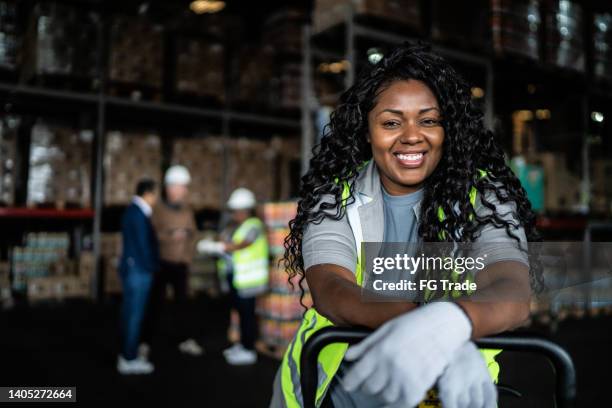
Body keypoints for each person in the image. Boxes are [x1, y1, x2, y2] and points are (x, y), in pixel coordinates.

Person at [270, 42, 540, 407]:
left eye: (428, 120)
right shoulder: (335, 198)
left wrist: (454, 323)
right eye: (391, 122)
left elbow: (511, 286)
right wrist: (438, 331)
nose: (412, 135)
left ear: (450, 128)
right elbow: (331, 288)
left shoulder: (485, 198)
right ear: (367, 131)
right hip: (335, 393)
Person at [198, 187, 269, 366]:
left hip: (248, 280)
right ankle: (242, 345)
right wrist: (216, 245)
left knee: (247, 315)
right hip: (235, 278)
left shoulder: (254, 225)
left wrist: (218, 247)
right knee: (240, 312)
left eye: (237, 211)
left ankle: (248, 350)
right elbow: (226, 241)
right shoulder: (235, 226)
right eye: (234, 211)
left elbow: (242, 244)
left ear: (246, 210)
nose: (235, 214)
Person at [141, 165, 202, 356]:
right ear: (169, 187)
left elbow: (193, 233)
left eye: (185, 187)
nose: (184, 191)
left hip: (181, 265)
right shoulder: (157, 210)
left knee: (183, 304)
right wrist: (171, 236)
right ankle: (144, 342)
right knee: (154, 304)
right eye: (180, 187)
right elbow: (151, 236)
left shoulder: (187, 210)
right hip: (162, 264)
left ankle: (184, 340)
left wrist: (187, 255)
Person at [117, 178, 159, 375]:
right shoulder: (139, 213)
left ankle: (127, 353)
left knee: (130, 313)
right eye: (155, 194)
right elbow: (143, 245)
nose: (156, 199)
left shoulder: (133, 211)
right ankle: (130, 358)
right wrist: (152, 267)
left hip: (133, 269)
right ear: (148, 193)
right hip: (139, 271)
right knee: (135, 315)